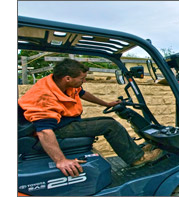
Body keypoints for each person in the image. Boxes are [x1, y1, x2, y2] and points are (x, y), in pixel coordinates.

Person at [18, 58, 163, 177]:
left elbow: (82, 93)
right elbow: (44, 131)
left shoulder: (62, 83)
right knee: (110, 126)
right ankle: (137, 159)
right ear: (68, 78)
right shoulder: (45, 96)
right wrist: (61, 160)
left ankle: (136, 152)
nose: (84, 81)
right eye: (82, 78)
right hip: (54, 129)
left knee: (109, 121)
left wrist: (106, 103)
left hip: (63, 122)